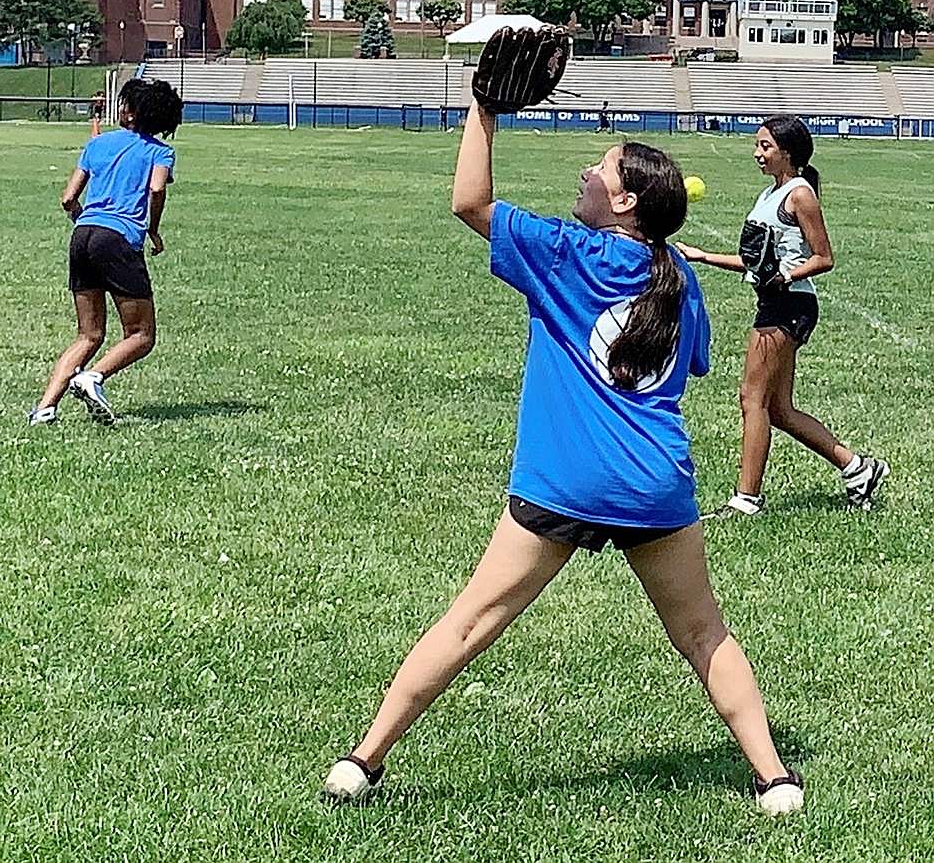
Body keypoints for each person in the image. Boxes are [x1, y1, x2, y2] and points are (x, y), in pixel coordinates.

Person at [321, 104, 804, 815]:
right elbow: (692, 364)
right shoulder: (680, 279)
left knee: (467, 623)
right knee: (703, 633)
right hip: (653, 485)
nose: (584, 171)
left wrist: (483, 112)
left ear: (625, 201)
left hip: (566, 480)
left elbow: (468, 201)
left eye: (599, 169)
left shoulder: (564, 253)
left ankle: (362, 760)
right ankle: (773, 778)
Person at [677, 116, 887, 517]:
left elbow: (823, 258)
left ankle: (746, 499)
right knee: (778, 409)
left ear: (787, 153)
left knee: (751, 398)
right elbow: (759, 262)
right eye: (757, 146)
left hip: (789, 305)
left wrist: (786, 275)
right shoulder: (770, 194)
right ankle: (857, 469)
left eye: (765, 146)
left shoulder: (800, 194)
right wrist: (704, 256)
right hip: (777, 301)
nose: (758, 153)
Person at [29, 78, 182, 428]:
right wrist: (153, 229)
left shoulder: (97, 144)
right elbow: (157, 188)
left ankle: (45, 409)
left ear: (131, 110)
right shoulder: (160, 152)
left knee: (88, 334)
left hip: (82, 235)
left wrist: (83, 219)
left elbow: (68, 198)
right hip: (118, 239)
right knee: (141, 334)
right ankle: (93, 378)